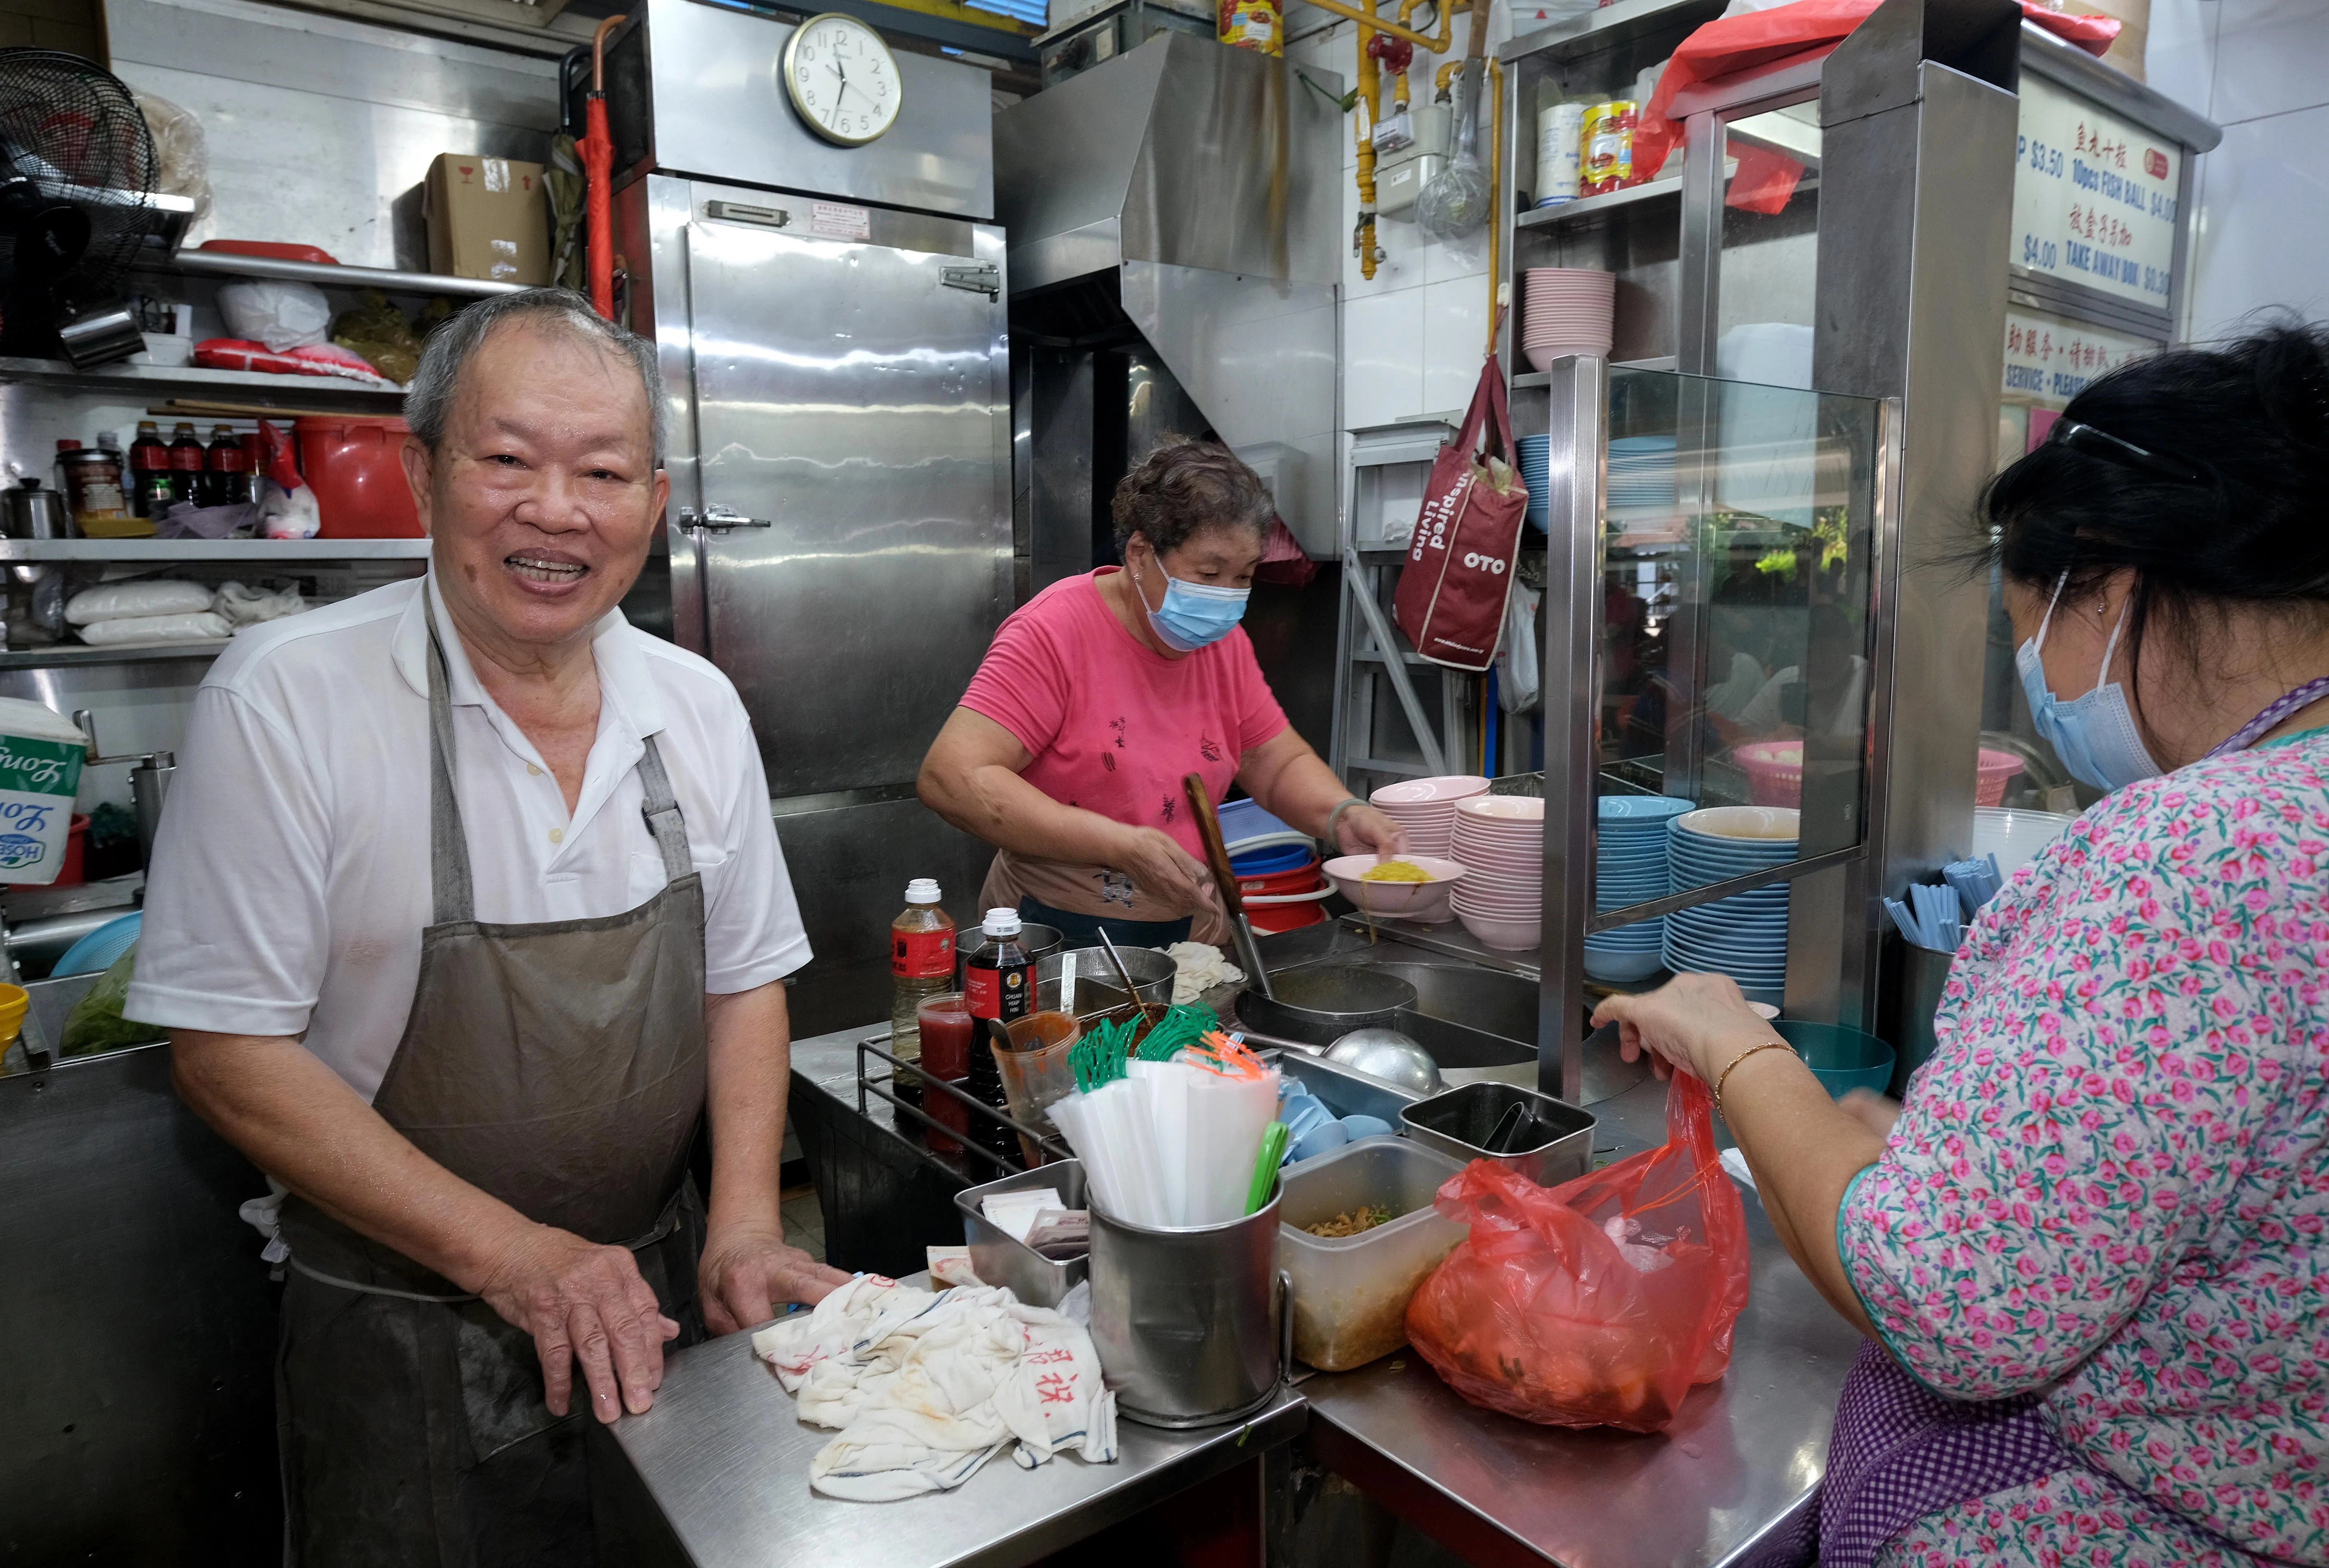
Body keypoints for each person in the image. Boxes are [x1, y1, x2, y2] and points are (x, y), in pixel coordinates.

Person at [128, 288, 849, 1566]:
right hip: (394, 1327)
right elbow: (226, 1050)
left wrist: (744, 1218)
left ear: (654, 503)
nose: (556, 510)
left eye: (603, 472)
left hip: (654, 1300)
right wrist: (515, 1256)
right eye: (508, 459)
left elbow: (742, 979)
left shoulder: (694, 704)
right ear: (422, 473)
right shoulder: (286, 697)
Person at [1596, 322, 2329, 1567]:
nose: (2037, 678)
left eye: (2030, 633)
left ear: (2114, 582)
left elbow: (1943, 1299)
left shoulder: (2196, 850)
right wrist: (1948, 1150)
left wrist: (1732, 1044)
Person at [918, 436, 1405, 946]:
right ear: (1140, 553)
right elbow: (952, 778)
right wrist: (1119, 845)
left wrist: (1341, 814)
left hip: (1191, 929)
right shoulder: (1054, 632)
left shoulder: (1223, 645)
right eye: (1209, 573)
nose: (1227, 596)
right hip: (1062, 933)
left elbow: (1272, 760)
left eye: (1244, 576)